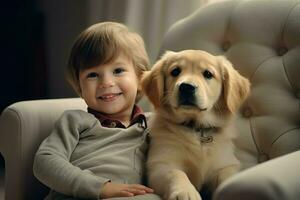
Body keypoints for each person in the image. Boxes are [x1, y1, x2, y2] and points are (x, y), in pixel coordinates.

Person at [33, 22, 160, 200]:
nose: (106, 82)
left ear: (140, 78)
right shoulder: (75, 120)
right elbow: (44, 162)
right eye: (92, 75)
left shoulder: (155, 125)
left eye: (118, 70)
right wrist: (101, 188)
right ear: (79, 86)